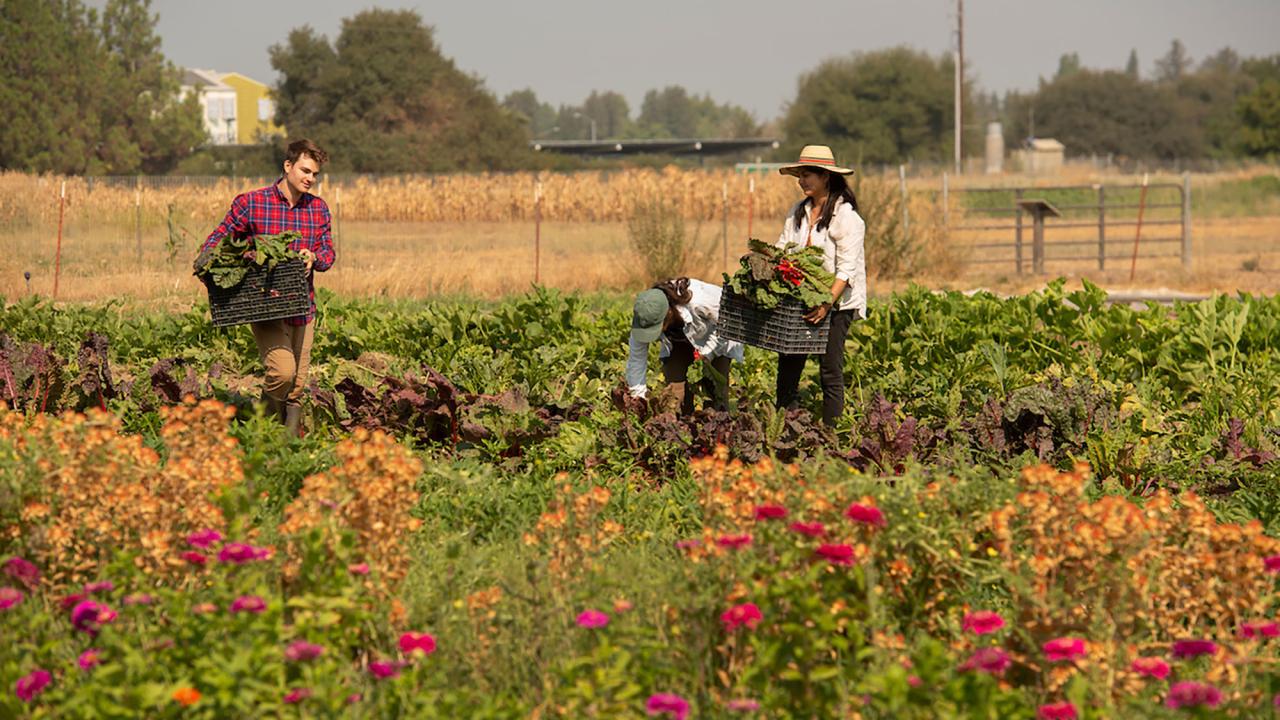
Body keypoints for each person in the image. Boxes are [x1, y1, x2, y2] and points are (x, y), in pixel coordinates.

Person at [193, 138, 336, 437]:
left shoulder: (318, 209)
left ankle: (284, 445)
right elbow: (220, 236)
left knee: (297, 385)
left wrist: (315, 257)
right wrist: (207, 262)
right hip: (265, 304)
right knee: (283, 372)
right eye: (305, 171)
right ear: (288, 166)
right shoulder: (253, 203)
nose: (310, 179)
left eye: (315, 174)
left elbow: (328, 253)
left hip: (302, 305)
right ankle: (260, 430)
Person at [773, 144, 866, 427]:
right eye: (800, 175)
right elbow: (783, 248)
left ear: (826, 176)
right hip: (802, 299)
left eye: (808, 174)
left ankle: (831, 433)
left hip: (837, 303)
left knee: (829, 368)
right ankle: (785, 427)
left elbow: (847, 269)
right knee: (789, 361)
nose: (802, 180)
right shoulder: (798, 212)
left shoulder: (846, 217)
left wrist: (827, 303)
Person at [626, 277, 744, 414]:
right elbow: (636, 360)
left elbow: (726, 324)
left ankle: (717, 428)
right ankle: (681, 428)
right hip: (678, 343)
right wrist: (638, 401)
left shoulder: (700, 301)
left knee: (716, 394)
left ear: (668, 312)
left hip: (716, 338)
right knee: (673, 396)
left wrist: (706, 354)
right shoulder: (644, 315)